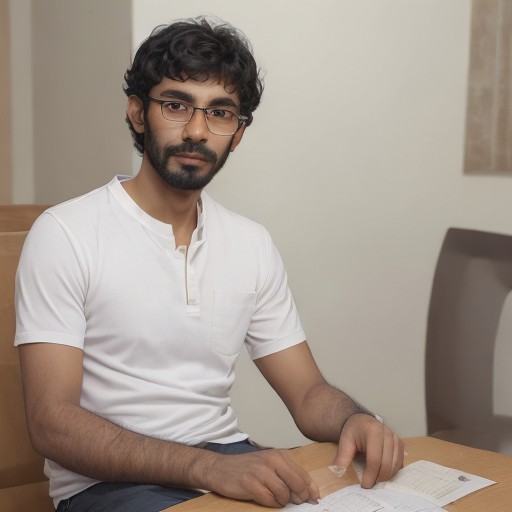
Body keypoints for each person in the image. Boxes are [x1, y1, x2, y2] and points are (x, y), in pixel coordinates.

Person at [15, 16, 404, 512]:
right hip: (108, 486)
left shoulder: (250, 243)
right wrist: (208, 467)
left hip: (228, 459)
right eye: (176, 105)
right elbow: (51, 423)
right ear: (137, 112)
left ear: (237, 133)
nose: (197, 131)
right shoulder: (66, 233)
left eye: (220, 113)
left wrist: (356, 420)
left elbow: (308, 393)